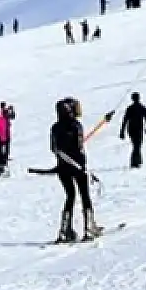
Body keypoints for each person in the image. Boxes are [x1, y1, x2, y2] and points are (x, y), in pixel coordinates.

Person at [50, 97, 102, 242]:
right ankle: (88, 228)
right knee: (85, 196)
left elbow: (54, 148)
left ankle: (64, 231)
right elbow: (79, 148)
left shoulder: (55, 127)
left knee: (70, 196)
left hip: (62, 167)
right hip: (77, 167)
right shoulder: (76, 125)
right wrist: (82, 166)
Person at [119, 93, 146, 169]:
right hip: (135, 129)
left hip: (133, 129)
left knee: (137, 145)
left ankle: (136, 161)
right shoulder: (140, 107)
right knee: (137, 145)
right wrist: (122, 131)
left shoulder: (132, 108)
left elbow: (125, 120)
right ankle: (136, 162)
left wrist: (122, 131)